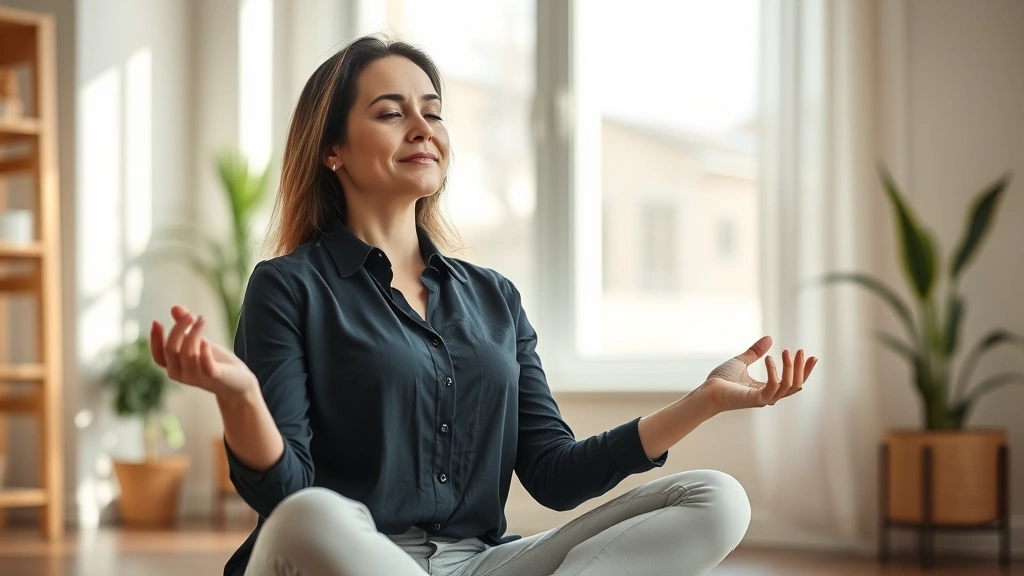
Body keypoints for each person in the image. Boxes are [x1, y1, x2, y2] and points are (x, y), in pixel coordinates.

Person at [150, 35, 817, 576]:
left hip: (479, 564)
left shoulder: (494, 297)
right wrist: (240, 395)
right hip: (342, 557)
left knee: (715, 498)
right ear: (332, 151)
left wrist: (703, 401)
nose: (422, 128)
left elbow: (554, 474)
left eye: (433, 112)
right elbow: (285, 493)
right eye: (391, 113)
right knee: (311, 515)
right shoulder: (289, 286)